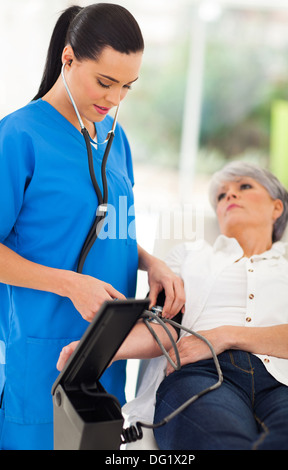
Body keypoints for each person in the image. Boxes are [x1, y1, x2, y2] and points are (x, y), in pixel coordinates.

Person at [0, 4, 185, 450]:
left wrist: (151, 262)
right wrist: (70, 285)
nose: (115, 98)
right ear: (68, 59)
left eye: (127, 86)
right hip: (43, 355)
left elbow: (108, 227)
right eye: (105, 82)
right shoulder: (17, 137)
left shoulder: (115, 140)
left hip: (106, 354)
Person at [58, 161, 288, 450]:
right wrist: (98, 352)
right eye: (222, 196)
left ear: (277, 208)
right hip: (203, 373)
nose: (229, 196)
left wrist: (225, 335)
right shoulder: (188, 256)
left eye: (244, 187)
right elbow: (165, 328)